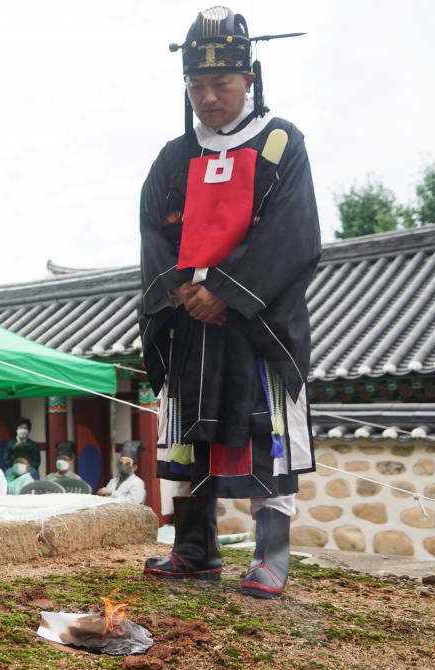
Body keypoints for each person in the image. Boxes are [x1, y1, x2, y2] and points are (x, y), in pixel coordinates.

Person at [139, 7, 317, 600]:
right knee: (186, 431)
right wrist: (182, 288)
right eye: (196, 86)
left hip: (256, 320)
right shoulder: (173, 155)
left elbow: (291, 231)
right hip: (190, 318)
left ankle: (272, 555)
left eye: (221, 84)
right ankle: (194, 548)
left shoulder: (282, 143)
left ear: (251, 78)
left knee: (267, 432)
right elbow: (152, 230)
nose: (208, 98)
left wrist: (225, 291)